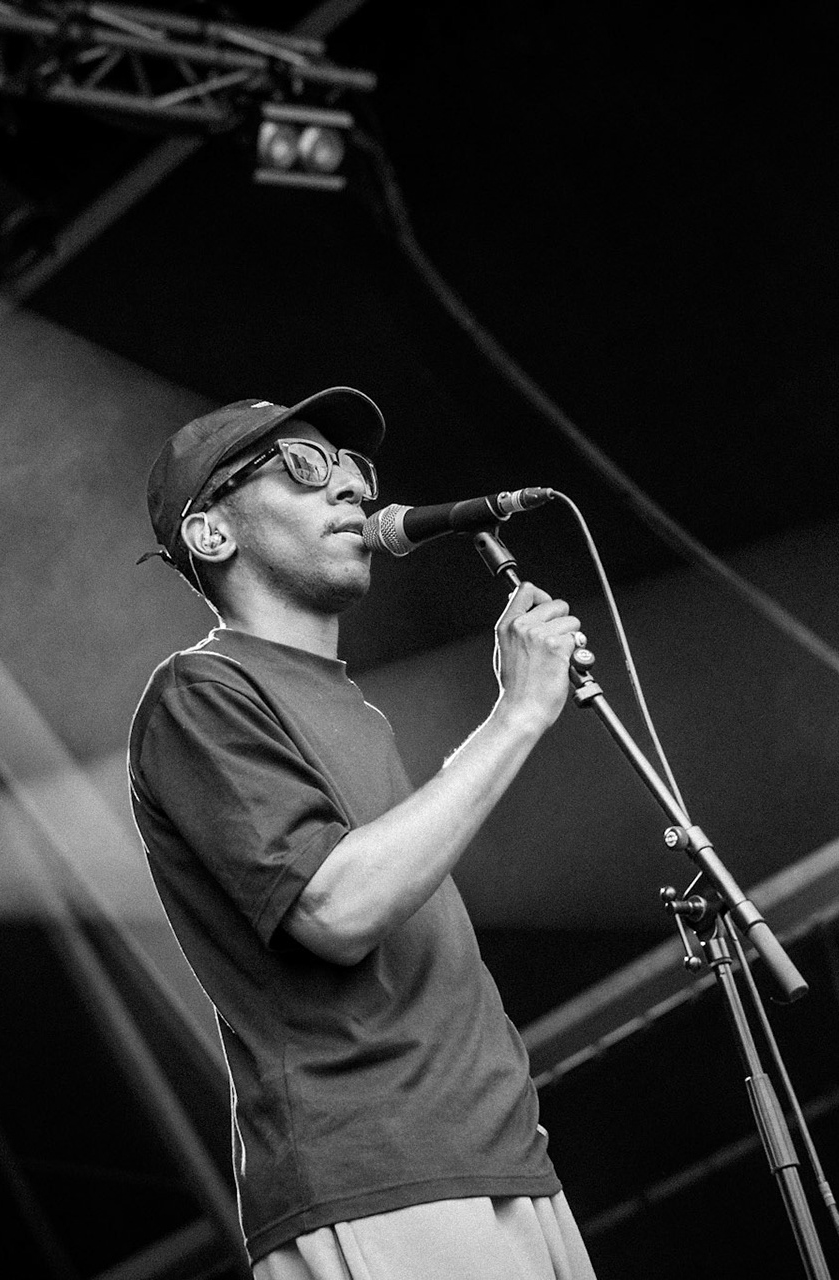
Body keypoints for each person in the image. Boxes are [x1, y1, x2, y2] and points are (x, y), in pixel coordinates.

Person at [128, 387, 599, 1280]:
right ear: (211, 534)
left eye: (355, 470)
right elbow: (339, 911)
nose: (348, 487)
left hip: (498, 1160)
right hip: (383, 1175)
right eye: (304, 468)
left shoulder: (350, 706)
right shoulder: (202, 694)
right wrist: (516, 719)